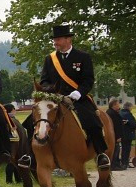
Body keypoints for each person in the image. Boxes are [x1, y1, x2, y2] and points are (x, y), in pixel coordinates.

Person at [37, 25, 110, 170]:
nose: (55, 42)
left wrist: (78, 93)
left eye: (58, 39)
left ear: (68, 39)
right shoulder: (50, 59)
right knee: (32, 121)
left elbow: (88, 80)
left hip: (78, 98)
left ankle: (100, 153)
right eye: (54, 40)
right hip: (55, 99)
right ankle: (30, 156)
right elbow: (44, 80)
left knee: (93, 122)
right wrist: (49, 91)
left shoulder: (83, 57)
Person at [106, 99, 125, 170]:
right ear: (114, 105)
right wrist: (118, 136)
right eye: (118, 104)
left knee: (117, 150)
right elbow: (115, 126)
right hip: (115, 135)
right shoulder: (111, 113)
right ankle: (114, 165)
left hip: (116, 135)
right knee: (115, 151)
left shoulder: (113, 112)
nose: (119, 106)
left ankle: (117, 164)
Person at [120, 102, 136, 169]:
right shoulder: (128, 114)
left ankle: (123, 162)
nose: (132, 108)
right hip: (128, 134)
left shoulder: (120, 113)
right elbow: (133, 124)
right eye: (131, 107)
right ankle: (125, 163)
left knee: (123, 149)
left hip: (122, 134)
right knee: (127, 149)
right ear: (128, 107)